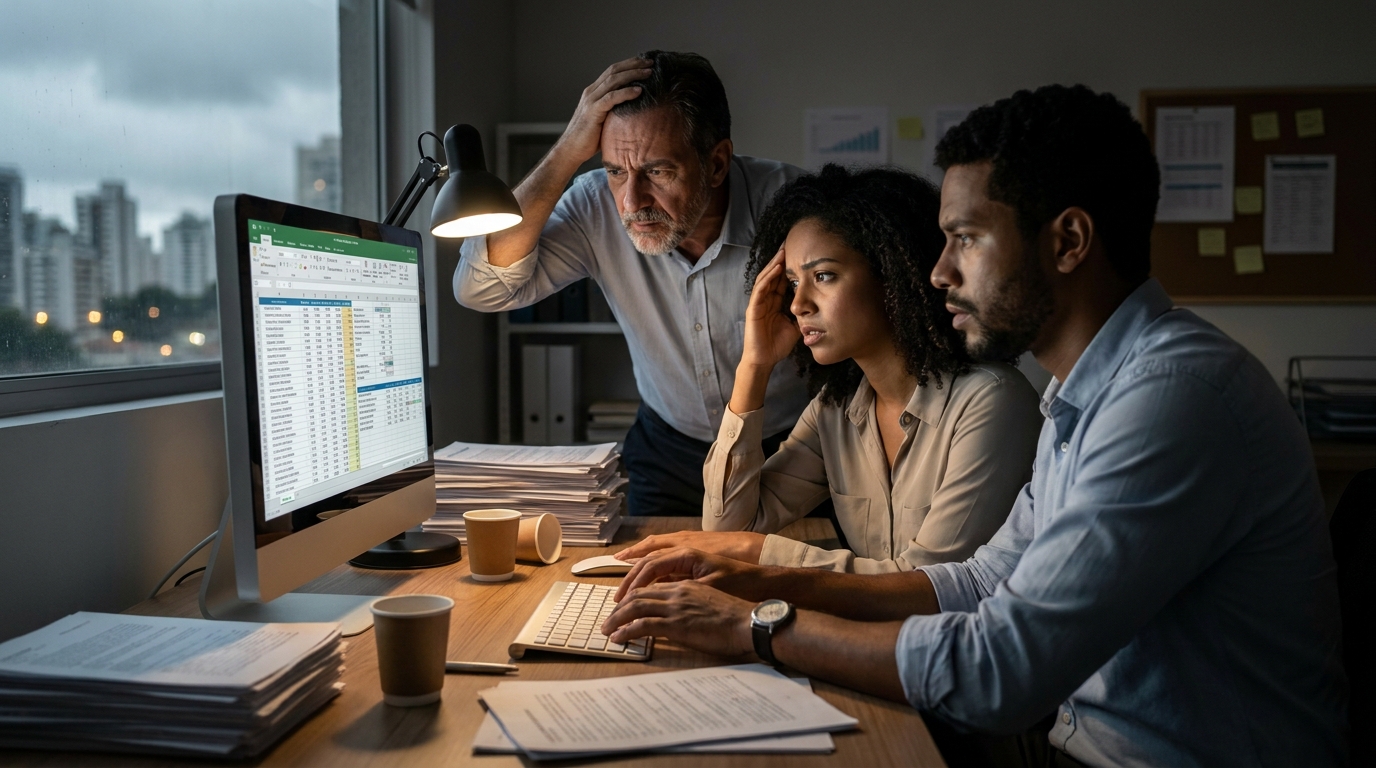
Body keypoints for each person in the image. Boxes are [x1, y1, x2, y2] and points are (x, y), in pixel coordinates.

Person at [602, 84, 1347, 767]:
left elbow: (1002, 672)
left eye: (966, 238)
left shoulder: (1172, 399)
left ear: (1067, 241)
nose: (938, 273)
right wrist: (756, 579)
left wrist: (755, 623)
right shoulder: (1084, 395)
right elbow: (981, 580)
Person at [616, 166, 1042, 573]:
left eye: (823, 275)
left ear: (892, 275)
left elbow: (930, 584)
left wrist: (761, 553)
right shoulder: (835, 410)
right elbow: (727, 526)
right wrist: (753, 367)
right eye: (793, 283)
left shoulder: (993, 402)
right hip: (870, 642)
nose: (799, 304)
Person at [454, 51, 810, 516]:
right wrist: (567, 152)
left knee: (793, 576)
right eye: (615, 171)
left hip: (794, 445)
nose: (631, 201)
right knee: (647, 582)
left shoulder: (795, 208)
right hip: (667, 450)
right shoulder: (594, 206)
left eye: (658, 172)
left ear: (717, 163)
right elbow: (482, 288)